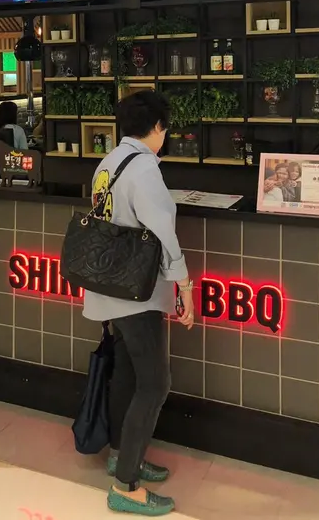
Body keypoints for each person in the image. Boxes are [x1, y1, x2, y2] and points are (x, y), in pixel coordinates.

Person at [83, 90, 194, 516]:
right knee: (155, 384)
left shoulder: (109, 161)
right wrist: (184, 285)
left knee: (128, 375)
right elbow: (163, 231)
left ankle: (121, 455)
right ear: (158, 127)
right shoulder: (144, 168)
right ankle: (125, 486)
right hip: (137, 293)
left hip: (110, 285)